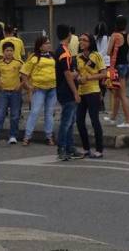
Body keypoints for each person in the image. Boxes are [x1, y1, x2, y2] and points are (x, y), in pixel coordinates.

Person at [55, 24, 85, 161]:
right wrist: (75, 92)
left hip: (62, 90)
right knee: (66, 122)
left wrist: (74, 74)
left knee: (70, 120)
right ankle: (62, 148)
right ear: (69, 35)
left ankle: (69, 147)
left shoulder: (61, 50)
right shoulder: (64, 53)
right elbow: (67, 74)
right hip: (66, 91)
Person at [20, 36, 57, 146]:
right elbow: (24, 73)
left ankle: (49, 136)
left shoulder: (53, 56)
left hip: (53, 88)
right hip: (39, 89)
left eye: (49, 43)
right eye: (46, 43)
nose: (49, 45)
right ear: (40, 46)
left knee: (49, 113)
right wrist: (29, 86)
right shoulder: (34, 57)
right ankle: (27, 136)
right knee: (35, 112)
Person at [75, 33, 107, 158]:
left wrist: (89, 78)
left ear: (90, 42)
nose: (81, 42)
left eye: (85, 40)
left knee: (94, 121)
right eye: (80, 40)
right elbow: (77, 73)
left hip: (93, 91)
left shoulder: (96, 56)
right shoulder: (77, 57)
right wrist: (77, 77)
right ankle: (86, 148)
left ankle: (99, 149)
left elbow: (104, 74)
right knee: (79, 121)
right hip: (81, 92)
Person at [0, 42, 24, 146]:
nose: (9, 53)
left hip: (15, 93)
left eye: (11, 51)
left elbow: (26, 75)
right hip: (3, 92)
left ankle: (13, 136)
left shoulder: (19, 63)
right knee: (0, 114)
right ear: (3, 52)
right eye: (7, 51)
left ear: (14, 52)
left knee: (14, 115)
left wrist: (21, 85)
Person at [105, 15, 129, 128]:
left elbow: (108, 52)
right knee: (117, 94)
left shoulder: (114, 35)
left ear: (116, 24)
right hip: (126, 65)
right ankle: (113, 117)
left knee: (122, 95)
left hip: (118, 66)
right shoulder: (128, 36)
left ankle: (128, 121)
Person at [94, 22, 110, 114]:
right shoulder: (108, 38)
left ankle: (100, 104)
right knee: (104, 85)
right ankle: (101, 103)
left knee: (98, 84)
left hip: (98, 64)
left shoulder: (95, 38)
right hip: (107, 63)